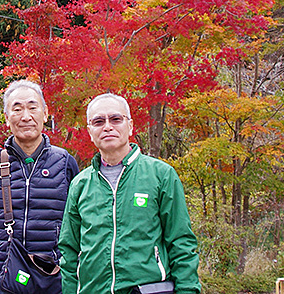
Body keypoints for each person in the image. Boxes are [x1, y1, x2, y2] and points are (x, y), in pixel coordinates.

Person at [59, 93, 200, 294]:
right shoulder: (80, 184)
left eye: (116, 119)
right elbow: (69, 251)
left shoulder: (161, 175)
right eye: (99, 121)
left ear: (130, 126)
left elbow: (181, 243)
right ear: (90, 131)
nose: (107, 126)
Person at [0, 80, 80, 293]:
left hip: (53, 276)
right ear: (6, 117)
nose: (26, 116)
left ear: (45, 113)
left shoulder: (64, 162)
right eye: (17, 109)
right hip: (4, 277)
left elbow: (75, 220)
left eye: (33, 108)